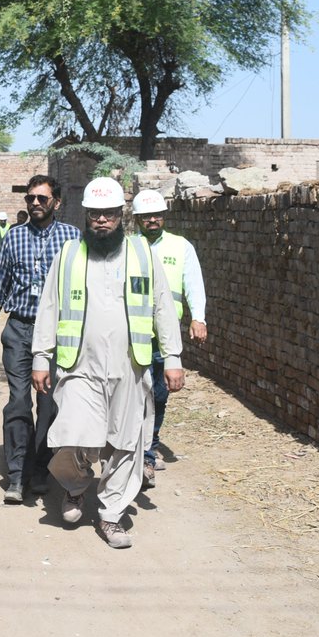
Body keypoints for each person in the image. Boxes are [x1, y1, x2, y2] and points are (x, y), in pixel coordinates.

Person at [31, 177, 184, 549]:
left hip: (130, 367)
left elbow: (162, 307)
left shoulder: (143, 255)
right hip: (78, 366)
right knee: (73, 435)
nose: (102, 221)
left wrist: (173, 357)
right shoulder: (68, 255)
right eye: (95, 214)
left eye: (109, 214)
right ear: (86, 215)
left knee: (126, 443)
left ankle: (111, 515)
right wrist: (40, 356)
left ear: (122, 216)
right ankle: (74, 486)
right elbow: (48, 307)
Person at [0, 175, 80, 503]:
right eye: (31, 199)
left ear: (56, 201)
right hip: (19, 329)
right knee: (17, 401)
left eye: (42, 199)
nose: (35, 204)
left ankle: (41, 469)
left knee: (48, 404)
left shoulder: (73, 238)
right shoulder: (14, 238)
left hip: (56, 335)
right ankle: (16, 474)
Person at [131, 188, 207, 488]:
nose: (153, 220)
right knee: (135, 397)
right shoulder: (127, 247)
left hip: (166, 336)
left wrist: (198, 317)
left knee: (159, 395)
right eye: (147, 216)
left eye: (157, 215)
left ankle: (150, 447)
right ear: (136, 218)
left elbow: (193, 283)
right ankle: (141, 455)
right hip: (134, 335)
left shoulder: (181, 246)